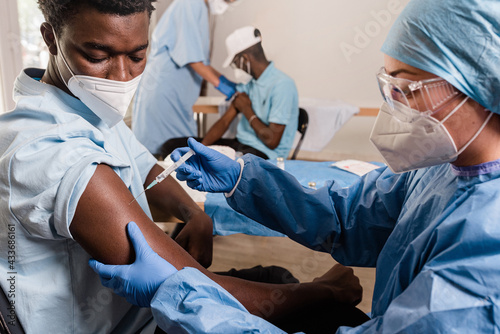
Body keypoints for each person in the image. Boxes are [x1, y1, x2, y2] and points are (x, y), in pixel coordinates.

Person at [91, 0, 500, 332]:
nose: (392, 106)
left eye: (406, 87)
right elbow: (350, 215)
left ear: (481, 83)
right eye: (387, 86)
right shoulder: (441, 168)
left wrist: (184, 296)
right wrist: (241, 179)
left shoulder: (485, 259)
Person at [0, 1, 366, 333]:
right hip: (126, 325)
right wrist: (324, 292)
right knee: (322, 312)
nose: (122, 77)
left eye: (138, 56)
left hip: (137, 311)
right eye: (98, 55)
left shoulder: (86, 107)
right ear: (51, 38)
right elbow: (194, 288)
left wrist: (194, 213)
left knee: (276, 278)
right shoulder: (51, 154)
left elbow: (145, 168)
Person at [160, 26, 299, 160]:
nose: (236, 68)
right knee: (171, 146)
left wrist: (246, 109)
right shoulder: (249, 84)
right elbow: (225, 121)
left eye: (235, 63)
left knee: (217, 165)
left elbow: (272, 141)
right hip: (239, 145)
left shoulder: (282, 86)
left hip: (264, 155)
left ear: (245, 59)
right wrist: (200, 148)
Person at [132, 0, 238, 156]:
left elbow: (202, 62)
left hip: (177, 97)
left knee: (180, 151)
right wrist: (223, 86)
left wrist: (228, 83)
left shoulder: (200, 8)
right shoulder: (190, 3)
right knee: (166, 153)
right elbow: (193, 60)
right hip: (164, 93)